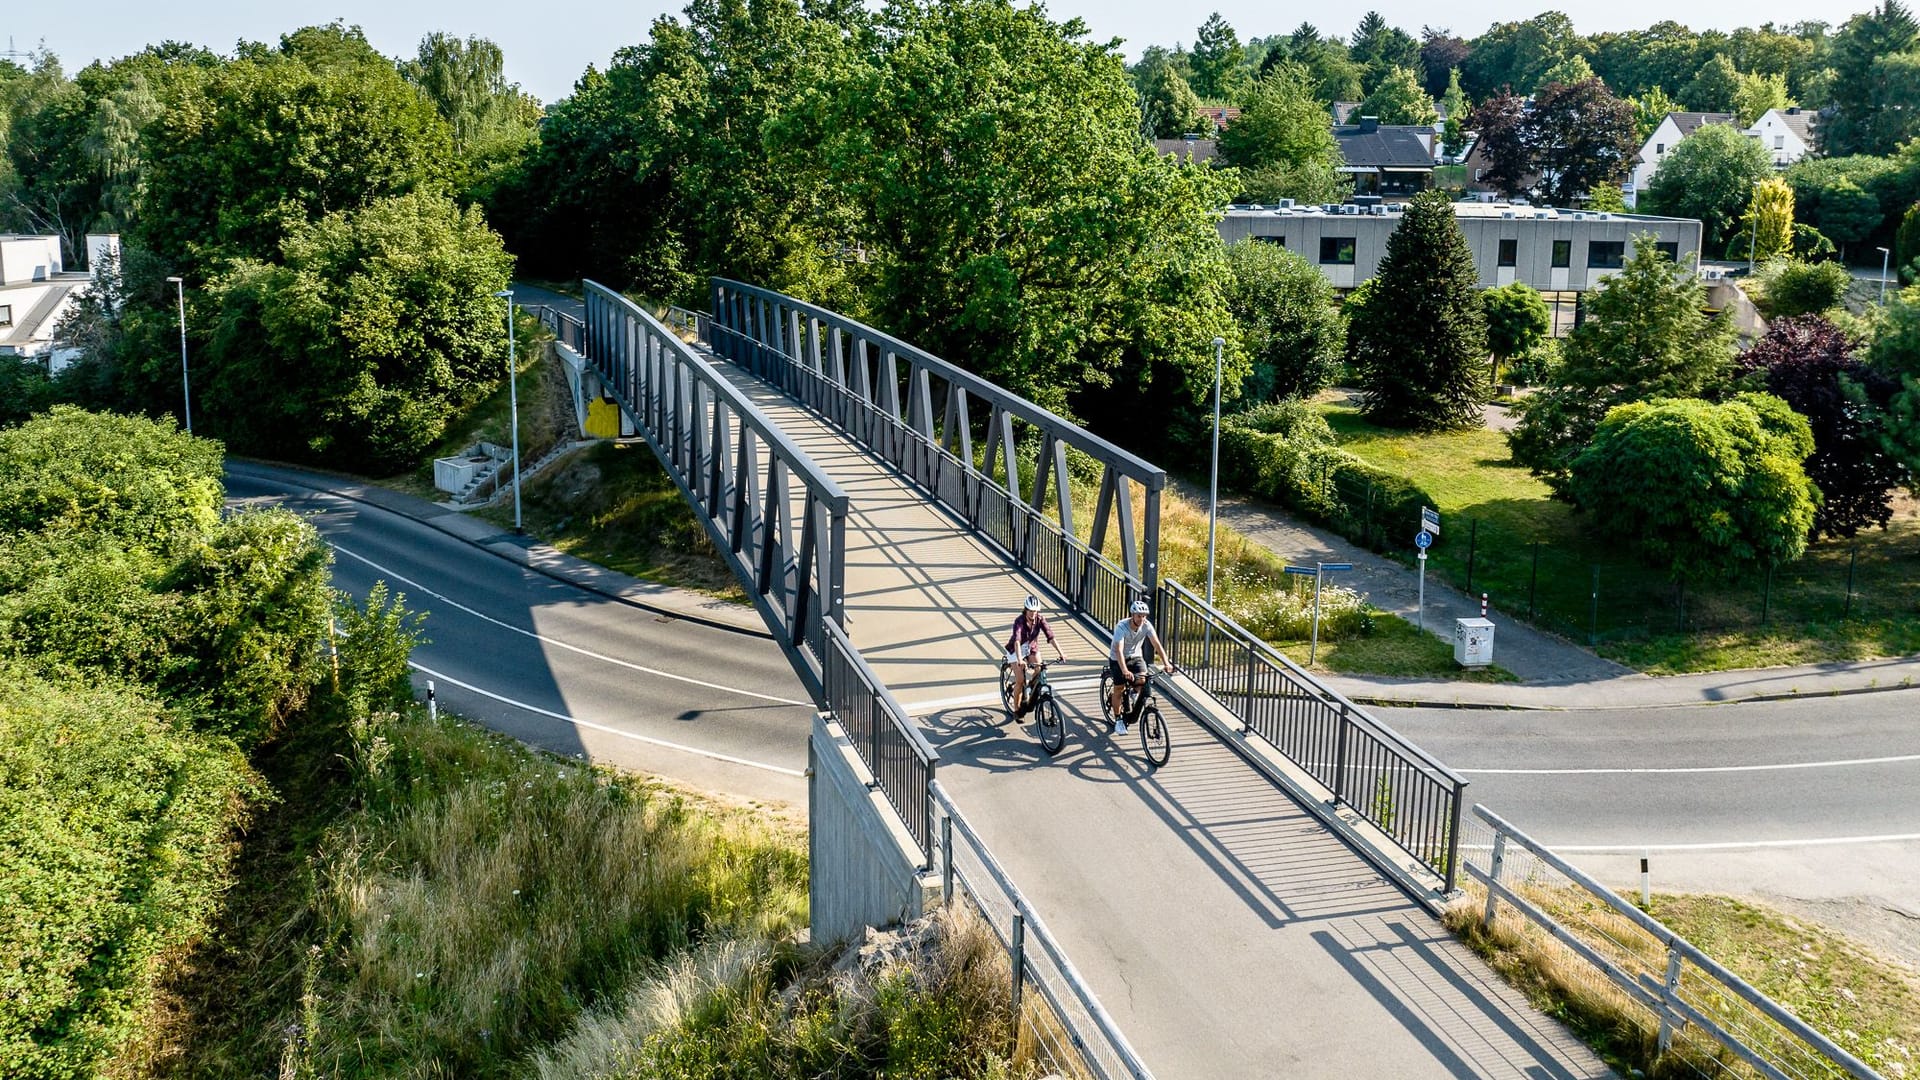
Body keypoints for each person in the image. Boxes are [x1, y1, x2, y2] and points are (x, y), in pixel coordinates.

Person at [1108, 599, 1171, 734]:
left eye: (1144, 616)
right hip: (1118, 659)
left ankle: (1133, 692)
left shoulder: (1147, 625)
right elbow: (1119, 650)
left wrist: (1166, 662)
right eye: (1139, 616)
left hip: (1136, 657)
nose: (1142, 619)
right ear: (1132, 615)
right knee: (1119, 688)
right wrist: (1124, 670)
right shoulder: (1122, 627)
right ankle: (1118, 720)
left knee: (1142, 680)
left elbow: (1157, 644)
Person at [1005, 594, 1063, 716]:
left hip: (1031, 648)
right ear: (1025, 609)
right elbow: (1017, 641)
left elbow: (1050, 636)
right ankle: (1017, 710)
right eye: (1030, 611)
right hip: (1016, 650)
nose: (1033, 614)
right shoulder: (1019, 621)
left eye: (1035, 611)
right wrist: (1020, 659)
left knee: (1040, 669)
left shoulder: (1040, 619)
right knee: (1020, 680)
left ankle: (1030, 688)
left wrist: (1061, 653)